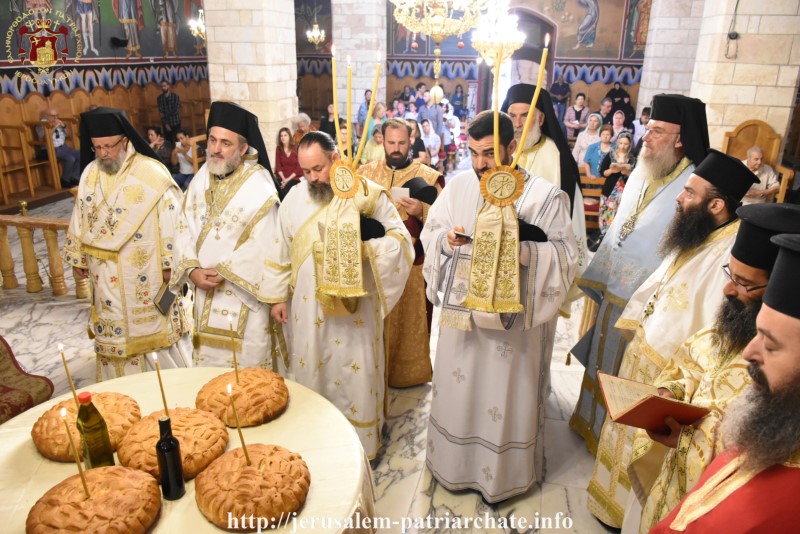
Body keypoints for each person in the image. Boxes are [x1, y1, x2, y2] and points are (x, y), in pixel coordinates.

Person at [585, 149, 758, 528]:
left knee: (647, 448)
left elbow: (717, 322)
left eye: (690, 193)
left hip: (673, 371)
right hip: (646, 353)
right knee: (625, 438)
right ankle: (611, 509)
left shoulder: (730, 249)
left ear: (715, 204)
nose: (680, 198)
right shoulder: (698, 231)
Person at [421, 110, 578, 502]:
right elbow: (433, 231)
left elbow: (566, 256)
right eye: (472, 153)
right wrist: (446, 242)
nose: (479, 164)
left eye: (489, 153)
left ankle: (501, 475)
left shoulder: (542, 196)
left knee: (502, 395)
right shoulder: (459, 186)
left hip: (514, 326)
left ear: (513, 146)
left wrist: (522, 250)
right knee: (460, 388)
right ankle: (452, 463)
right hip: (462, 320)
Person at [626, 203, 800, 533]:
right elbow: (690, 368)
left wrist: (690, 437)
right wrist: (670, 393)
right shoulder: (727, 332)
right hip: (672, 487)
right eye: (729, 274)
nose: (728, 289)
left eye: (745, 283)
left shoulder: (784, 375)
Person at [570, 94, 711, 455]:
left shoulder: (694, 183)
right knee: (603, 360)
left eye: (657, 131)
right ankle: (588, 422)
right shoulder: (644, 169)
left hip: (647, 300)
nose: (645, 137)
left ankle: (612, 440)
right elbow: (622, 223)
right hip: (616, 285)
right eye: (647, 129)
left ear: (680, 139)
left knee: (625, 370)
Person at [270, 131, 413, 460]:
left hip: (355, 311)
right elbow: (279, 247)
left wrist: (366, 251)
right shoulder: (293, 198)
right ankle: (318, 439)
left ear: (335, 159)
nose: (313, 178)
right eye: (306, 172)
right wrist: (278, 296)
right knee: (312, 367)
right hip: (309, 310)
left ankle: (360, 446)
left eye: (318, 169)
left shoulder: (367, 194)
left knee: (353, 369)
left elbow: (401, 242)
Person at [62, 107, 190, 380]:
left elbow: (172, 220)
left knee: (152, 333)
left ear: (125, 141)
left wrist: (171, 265)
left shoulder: (150, 173)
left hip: (144, 274)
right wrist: (78, 258)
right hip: (104, 277)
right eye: (97, 148)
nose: (103, 153)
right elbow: (80, 216)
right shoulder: (89, 174)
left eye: (109, 146)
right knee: (113, 336)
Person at [171, 101, 282, 369]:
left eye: (226, 143)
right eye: (212, 140)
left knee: (248, 373)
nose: (216, 149)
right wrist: (192, 269)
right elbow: (183, 227)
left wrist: (226, 271)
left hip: (244, 295)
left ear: (243, 149)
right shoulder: (201, 178)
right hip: (204, 292)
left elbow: (267, 242)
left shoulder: (259, 185)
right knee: (209, 371)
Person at [357, 118, 443, 387]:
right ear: (382, 140)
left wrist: (422, 211)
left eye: (402, 143)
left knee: (407, 324)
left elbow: (445, 222)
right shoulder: (365, 173)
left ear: (411, 140)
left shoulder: (429, 176)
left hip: (413, 267)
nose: (395, 148)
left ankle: (406, 376)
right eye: (391, 142)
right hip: (375, 265)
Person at [501, 83, 586, 315]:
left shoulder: (557, 157)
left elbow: (572, 213)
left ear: (540, 119)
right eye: (512, 116)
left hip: (539, 262)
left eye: (525, 116)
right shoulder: (498, 155)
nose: (518, 124)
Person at [598, 131, 635, 235]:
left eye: (626, 144)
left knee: (622, 216)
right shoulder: (611, 154)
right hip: (610, 191)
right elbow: (602, 172)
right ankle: (604, 237)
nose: (623, 146)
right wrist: (611, 171)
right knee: (607, 216)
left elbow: (635, 176)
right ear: (617, 142)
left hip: (625, 192)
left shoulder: (632, 158)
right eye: (621, 143)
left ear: (630, 144)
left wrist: (627, 172)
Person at [36, 108, 80, 188]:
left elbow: (69, 135)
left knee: (80, 154)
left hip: (63, 146)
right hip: (50, 149)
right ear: (46, 116)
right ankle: (65, 180)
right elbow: (45, 138)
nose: (56, 118)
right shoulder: (41, 124)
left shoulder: (59, 122)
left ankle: (74, 177)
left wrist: (64, 126)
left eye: (57, 115)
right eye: (53, 116)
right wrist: (55, 127)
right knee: (70, 158)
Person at [275, 126, 303, 199]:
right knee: (277, 189)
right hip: (281, 177)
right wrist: (284, 179)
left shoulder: (296, 147)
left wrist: (287, 180)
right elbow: (278, 166)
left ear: (289, 136)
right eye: (281, 136)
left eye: (285, 135)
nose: (283, 137)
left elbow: (299, 167)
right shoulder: (278, 148)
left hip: (294, 177)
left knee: (288, 189)